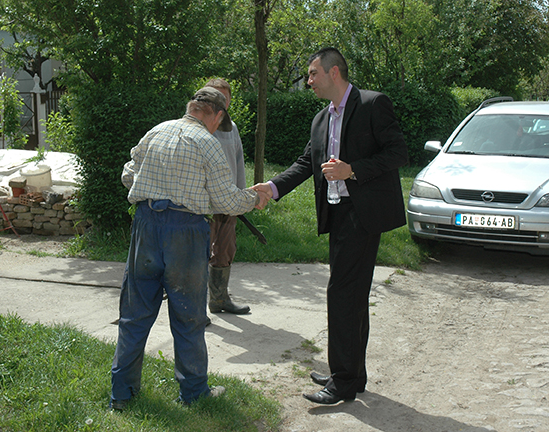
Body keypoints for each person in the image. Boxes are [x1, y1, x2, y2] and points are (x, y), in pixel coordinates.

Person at [252, 47, 409, 405]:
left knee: (341, 294)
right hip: (336, 213)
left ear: (334, 72)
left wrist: (352, 169)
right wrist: (272, 188)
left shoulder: (372, 104)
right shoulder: (321, 119)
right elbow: (307, 162)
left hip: (364, 214)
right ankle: (353, 375)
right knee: (351, 296)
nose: (308, 81)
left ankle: (341, 382)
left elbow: (398, 153)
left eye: (312, 74)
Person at [110, 87, 266, 411]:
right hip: (184, 231)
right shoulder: (208, 144)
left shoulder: (157, 131)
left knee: (134, 314)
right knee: (188, 317)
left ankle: (122, 395)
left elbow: (128, 173)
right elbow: (225, 200)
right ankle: (193, 394)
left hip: (145, 225)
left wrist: (155, 185)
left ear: (190, 107)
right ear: (217, 116)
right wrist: (255, 198)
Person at [204, 78, 250, 315]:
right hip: (203, 204)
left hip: (228, 202)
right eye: (217, 96)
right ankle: (194, 310)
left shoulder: (232, 129)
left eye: (225, 97)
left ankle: (219, 299)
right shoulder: (199, 126)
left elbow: (239, 162)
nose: (222, 101)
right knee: (199, 253)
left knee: (225, 250)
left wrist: (241, 197)